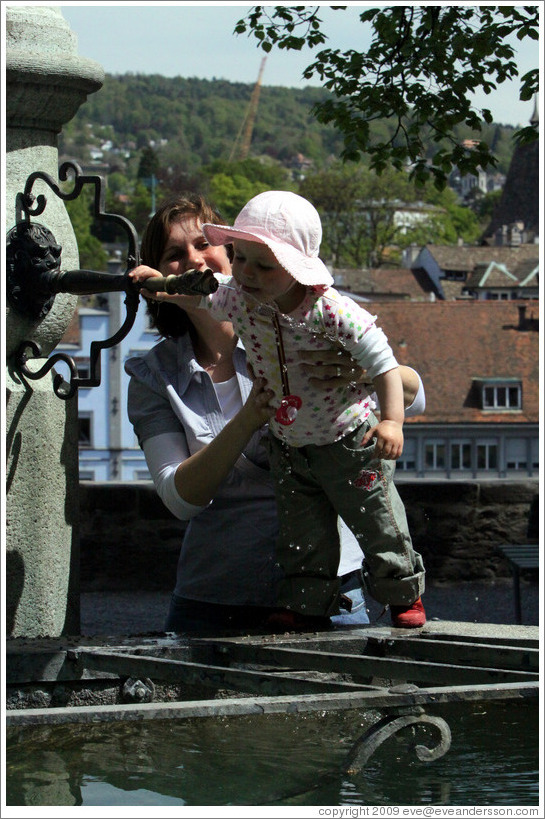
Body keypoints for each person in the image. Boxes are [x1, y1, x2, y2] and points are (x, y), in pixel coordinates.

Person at [126, 194, 425, 634]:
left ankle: (397, 587)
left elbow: (413, 396)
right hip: (214, 596)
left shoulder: (302, 323)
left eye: (202, 244)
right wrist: (248, 417)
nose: (192, 260)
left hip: (336, 595)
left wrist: (359, 371)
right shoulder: (154, 376)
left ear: (231, 252)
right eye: (173, 254)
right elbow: (179, 498)